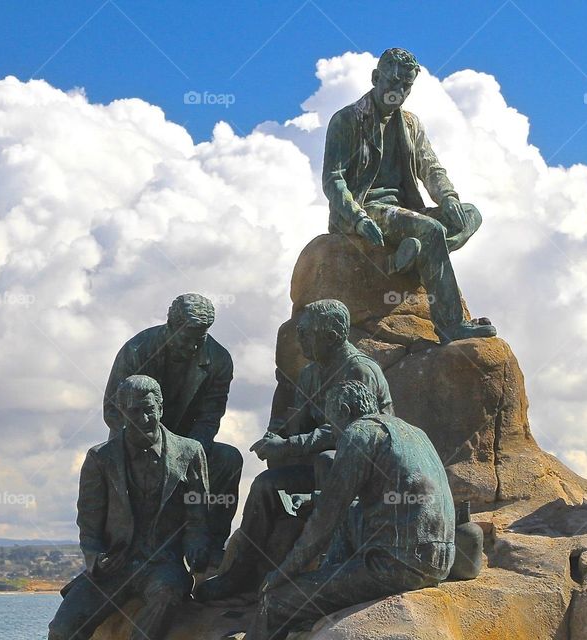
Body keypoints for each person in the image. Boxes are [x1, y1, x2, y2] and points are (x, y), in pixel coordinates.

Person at [195, 299, 392, 601]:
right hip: (322, 466)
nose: (300, 342)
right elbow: (299, 419)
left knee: (327, 461)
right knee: (265, 484)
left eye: (306, 334)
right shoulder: (311, 373)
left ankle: (333, 567)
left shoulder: (359, 370)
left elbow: (345, 431)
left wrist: (286, 446)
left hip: (363, 468)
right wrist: (278, 430)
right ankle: (241, 572)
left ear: (331, 335)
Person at [246, 380, 455, 640]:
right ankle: (326, 586)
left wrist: (282, 573)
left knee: (275, 602)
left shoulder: (359, 433)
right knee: (352, 512)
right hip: (440, 561)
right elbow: (352, 502)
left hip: (394, 566)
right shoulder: (413, 432)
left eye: (329, 417)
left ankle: (312, 594)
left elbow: (324, 522)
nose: (329, 426)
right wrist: (312, 498)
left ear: (344, 410)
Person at [322, 47, 496, 343]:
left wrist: (448, 199)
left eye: (406, 86)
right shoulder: (347, 121)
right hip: (369, 207)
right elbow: (333, 180)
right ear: (376, 78)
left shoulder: (412, 124)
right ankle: (450, 324)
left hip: (406, 212)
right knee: (429, 231)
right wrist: (358, 219)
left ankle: (415, 258)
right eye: (392, 82)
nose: (398, 91)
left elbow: (431, 168)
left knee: (470, 214)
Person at [48, 375, 210, 640]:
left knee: (167, 594)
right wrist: (95, 557)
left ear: (161, 408)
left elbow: (197, 517)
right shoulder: (100, 458)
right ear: (122, 413)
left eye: (149, 410)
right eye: (134, 411)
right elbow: (89, 523)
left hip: (163, 565)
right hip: (114, 565)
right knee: (61, 629)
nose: (143, 418)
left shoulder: (190, 452)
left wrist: (197, 547)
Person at [103, 293, 242, 562]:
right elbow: (113, 410)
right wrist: (151, 443)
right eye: (187, 336)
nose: (192, 345)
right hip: (136, 442)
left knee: (229, 460)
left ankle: (210, 549)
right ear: (171, 325)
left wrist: (184, 452)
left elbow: (210, 417)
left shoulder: (219, 360)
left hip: (187, 444)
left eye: (199, 337)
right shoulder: (137, 350)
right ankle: (122, 548)